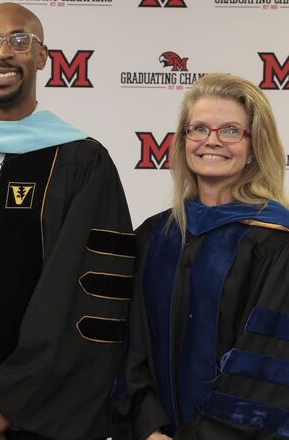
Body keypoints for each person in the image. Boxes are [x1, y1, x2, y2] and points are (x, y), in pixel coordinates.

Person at [0, 3, 135, 439]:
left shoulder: (84, 162)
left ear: (42, 58)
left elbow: (87, 299)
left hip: (51, 416)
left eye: (20, 41)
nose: (4, 53)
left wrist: (7, 400)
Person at [113, 73, 289, 440]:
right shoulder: (154, 237)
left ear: (254, 146)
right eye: (199, 129)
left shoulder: (276, 243)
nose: (211, 141)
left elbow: (265, 368)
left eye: (230, 131)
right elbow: (130, 346)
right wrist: (148, 426)